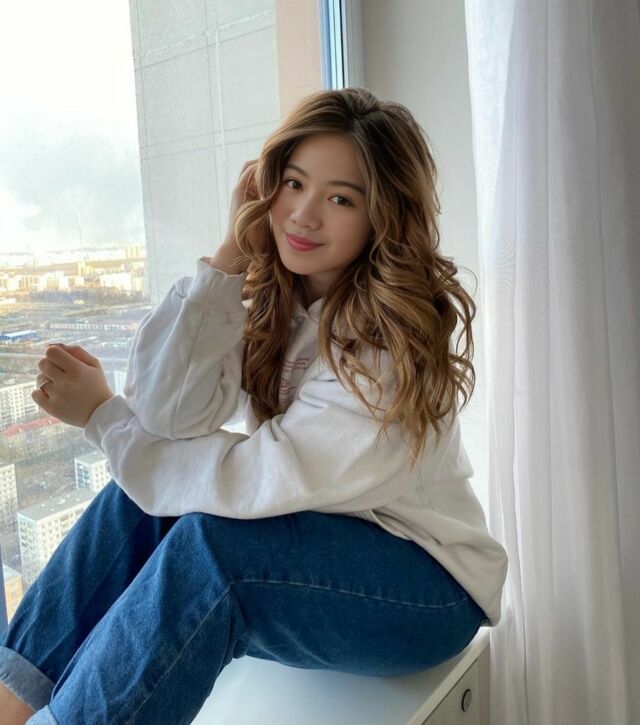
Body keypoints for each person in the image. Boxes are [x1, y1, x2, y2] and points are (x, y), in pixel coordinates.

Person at [0, 86, 508, 724]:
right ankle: (9, 703)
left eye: (341, 199)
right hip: (315, 546)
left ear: (382, 216)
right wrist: (228, 257)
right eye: (293, 184)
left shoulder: (387, 350)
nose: (304, 215)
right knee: (135, 500)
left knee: (213, 551)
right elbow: (168, 414)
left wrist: (106, 419)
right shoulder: (281, 300)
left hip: (426, 588)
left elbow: (259, 478)